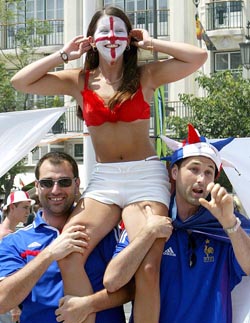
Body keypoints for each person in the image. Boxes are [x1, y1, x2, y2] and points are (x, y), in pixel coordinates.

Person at [10, 6, 207, 322]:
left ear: (128, 39)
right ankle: (84, 314)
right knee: (69, 252)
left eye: (118, 33)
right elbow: (20, 82)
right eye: (104, 33)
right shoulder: (79, 79)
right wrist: (64, 54)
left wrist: (152, 43)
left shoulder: (146, 75)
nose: (111, 39)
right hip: (105, 181)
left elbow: (198, 57)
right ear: (92, 40)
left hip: (145, 176)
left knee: (147, 265)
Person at [102, 124, 250, 323]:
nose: (201, 179)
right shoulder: (148, 218)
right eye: (194, 169)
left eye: (208, 172)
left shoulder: (228, 224)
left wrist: (230, 224)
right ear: (174, 172)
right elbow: (113, 281)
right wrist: (148, 234)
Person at [0, 152, 131, 323]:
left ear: (77, 184)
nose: (56, 190)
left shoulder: (105, 233)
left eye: (64, 182)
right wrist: (49, 254)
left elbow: (132, 287)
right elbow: (3, 301)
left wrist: (90, 304)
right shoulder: (15, 241)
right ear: (38, 186)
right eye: (47, 183)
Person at [0, 190, 35, 323]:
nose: (29, 212)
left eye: (29, 208)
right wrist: (14, 307)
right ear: (12, 207)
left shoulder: (11, 233)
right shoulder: (6, 236)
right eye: (25, 207)